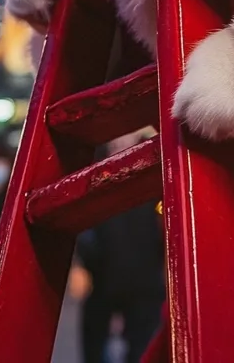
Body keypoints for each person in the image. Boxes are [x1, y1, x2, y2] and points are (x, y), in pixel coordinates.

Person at [76, 155, 165, 363]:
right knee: (97, 345)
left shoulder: (155, 164)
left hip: (142, 279)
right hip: (104, 276)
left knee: (140, 346)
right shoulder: (96, 163)